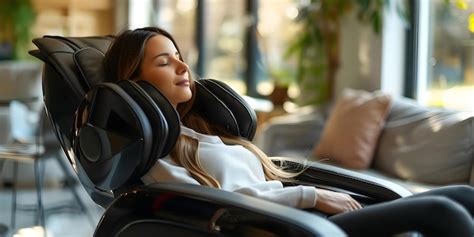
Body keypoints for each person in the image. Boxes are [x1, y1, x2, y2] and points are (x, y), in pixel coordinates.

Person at [103, 26, 474, 237]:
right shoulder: (153, 155)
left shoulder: (198, 131)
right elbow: (222, 205)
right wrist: (310, 196)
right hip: (286, 230)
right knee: (441, 212)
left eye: (179, 55)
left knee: (461, 194)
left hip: (305, 218)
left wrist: (315, 195)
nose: (184, 66)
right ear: (134, 83)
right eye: (164, 62)